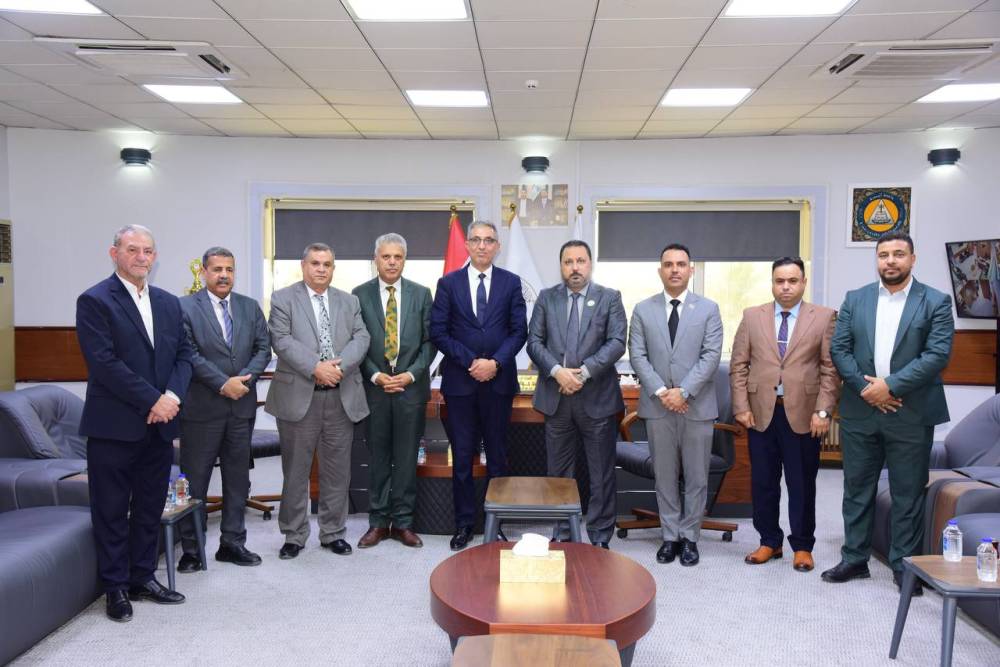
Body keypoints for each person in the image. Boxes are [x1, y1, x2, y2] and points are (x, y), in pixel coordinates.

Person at [822, 231, 954, 593]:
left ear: (912, 259)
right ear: (877, 260)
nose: (890, 261)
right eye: (883, 255)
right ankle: (854, 558)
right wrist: (869, 390)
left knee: (907, 493)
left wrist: (890, 386)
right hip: (861, 410)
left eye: (898, 254)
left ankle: (903, 565)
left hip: (911, 412)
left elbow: (937, 355)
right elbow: (839, 350)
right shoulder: (856, 299)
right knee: (856, 488)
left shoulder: (936, 301)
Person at [75, 224, 193, 622]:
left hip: (159, 426)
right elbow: (104, 363)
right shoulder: (94, 300)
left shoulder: (169, 303)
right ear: (114, 254)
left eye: (148, 251)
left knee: (148, 507)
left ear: (155, 257)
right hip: (113, 427)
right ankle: (115, 588)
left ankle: (142, 577)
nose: (141, 257)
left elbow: (184, 356)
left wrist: (171, 398)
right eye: (132, 249)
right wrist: (153, 399)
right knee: (110, 511)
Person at [730, 257, 839, 574]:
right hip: (760, 413)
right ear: (772, 283)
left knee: (801, 483)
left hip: (805, 415)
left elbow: (830, 370)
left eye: (792, 281)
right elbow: (739, 365)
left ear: (804, 282)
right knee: (763, 482)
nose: (786, 287)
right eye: (780, 281)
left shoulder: (824, 317)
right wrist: (741, 406)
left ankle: (802, 546)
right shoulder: (752, 316)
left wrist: (823, 410)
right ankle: (769, 541)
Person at [265, 243, 370, 560]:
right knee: (295, 472)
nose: (321, 269)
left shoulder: (349, 301)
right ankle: (294, 535)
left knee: (337, 472)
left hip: (340, 397)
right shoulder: (283, 298)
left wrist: (338, 368)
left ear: (333, 268)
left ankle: (333, 533)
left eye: (327, 264)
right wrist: (316, 367)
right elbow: (281, 340)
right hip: (299, 398)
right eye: (315, 263)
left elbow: (362, 337)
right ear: (303, 266)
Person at [429, 221, 528, 551]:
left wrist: (495, 363)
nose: (482, 246)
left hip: (498, 383)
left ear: (498, 246)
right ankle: (464, 524)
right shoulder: (448, 283)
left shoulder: (511, 283)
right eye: (476, 240)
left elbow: (519, 331)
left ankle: (495, 524)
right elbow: (438, 332)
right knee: (462, 459)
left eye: (489, 240)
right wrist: (472, 361)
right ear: (468, 245)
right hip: (461, 383)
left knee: (497, 457)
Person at [526, 240, 626, 548]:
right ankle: (564, 531)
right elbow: (534, 342)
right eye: (568, 262)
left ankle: (599, 536)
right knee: (559, 473)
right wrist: (558, 372)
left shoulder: (609, 297)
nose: (575, 267)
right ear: (561, 266)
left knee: (601, 473)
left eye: (580, 261)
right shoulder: (547, 298)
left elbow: (617, 342)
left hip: (597, 398)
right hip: (557, 398)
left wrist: (582, 373)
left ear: (590, 264)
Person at [177, 247, 271, 572]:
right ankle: (192, 550)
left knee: (237, 480)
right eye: (217, 269)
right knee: (195, 483)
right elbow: (188, 353)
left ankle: (232, 543)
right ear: (204, 272)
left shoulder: (249, 306)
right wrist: (222, 383)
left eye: (229, 269)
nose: (223, 275)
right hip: (201, 410)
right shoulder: (184, 307)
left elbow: (263, 348)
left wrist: (245, 379)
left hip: (241, 408)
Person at [628, 243, 722, 566]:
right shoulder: (643, 309)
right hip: (658, 407)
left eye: (681, 264)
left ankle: (690, 537)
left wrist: (683, 392)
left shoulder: (708, 309)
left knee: (696, 477)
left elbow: (711, 356)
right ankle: (670, 536)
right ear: (660, 270)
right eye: (668, 264)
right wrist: (661, 391)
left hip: (697, 407)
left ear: (691, 269)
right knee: (665, 476)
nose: (675, 269)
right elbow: (637, 355)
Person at [352, 233, 435, 549]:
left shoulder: (421, 294)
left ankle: (402, 523)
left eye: (397, 257)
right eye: (386, 256)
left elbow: (430, 342)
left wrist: (410, 375)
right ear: (376, 259)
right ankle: (377, 522)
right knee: (378, 458)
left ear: (404, 260)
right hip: (374, 390)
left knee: (406, 458)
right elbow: (355, 343)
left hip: (410, 390)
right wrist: (375, 375)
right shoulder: (359, 295)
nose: (391, 262)